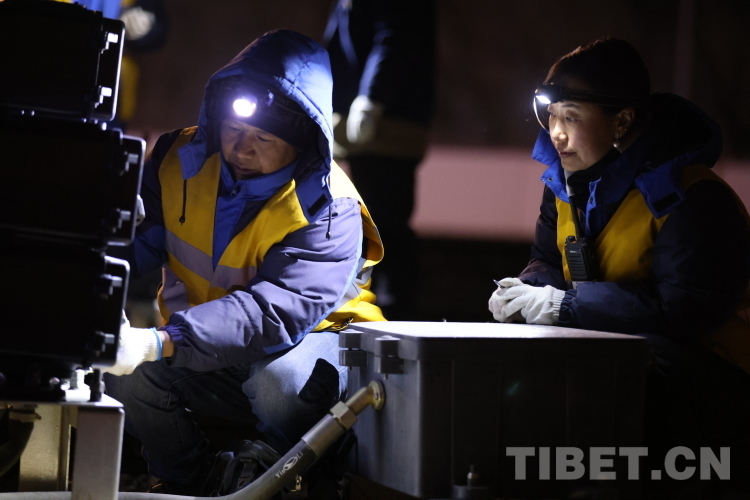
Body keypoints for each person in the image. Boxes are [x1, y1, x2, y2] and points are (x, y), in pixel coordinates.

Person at [103, 29, 385, 495]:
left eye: (263, 137)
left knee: (279, 386)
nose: (242, 148)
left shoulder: (330, 208)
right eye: (233, 129)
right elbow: (133, 245)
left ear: (303, 140)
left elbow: (271, 313)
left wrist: (159, 341)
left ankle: (292, 481)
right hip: (214, 343)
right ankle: (192, 481)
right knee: (124, 376)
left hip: (317, 349)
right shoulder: (177, 161)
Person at [488, 38, 750, 496]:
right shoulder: (565, 183)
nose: (556, 133)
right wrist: (527, 292)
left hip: (713, 386)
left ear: (623, 121)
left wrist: (564, 306)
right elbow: (548, 257)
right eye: (551, 116)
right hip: (625, 360)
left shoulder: (692, 197)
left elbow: (684, 311)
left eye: (572, 117)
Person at [322, 0, 435, 320]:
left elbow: (397, 35)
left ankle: (393, 310)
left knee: (384, 220)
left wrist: (372, 97)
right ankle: (379, 305)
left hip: (388, 119)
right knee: (371, 218)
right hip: (374, 115)